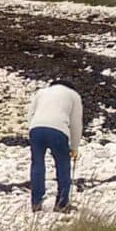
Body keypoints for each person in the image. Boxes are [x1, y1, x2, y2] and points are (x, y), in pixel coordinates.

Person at [27, 79, 83, 212]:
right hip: (58, 130)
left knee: (37, 164)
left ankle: (36, 203)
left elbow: (30, 114)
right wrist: (74, 147)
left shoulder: (42, 92)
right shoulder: (74, 95)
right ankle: (61, 204)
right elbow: (76, 124)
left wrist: (31, 130)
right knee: (63, 165)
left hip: (36, 128)